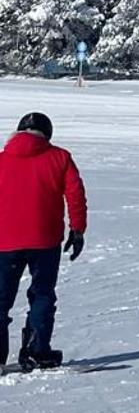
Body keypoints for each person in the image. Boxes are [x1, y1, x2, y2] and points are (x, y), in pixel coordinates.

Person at [0, 112, 88, 371]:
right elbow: (75, 194)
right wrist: (78, 229)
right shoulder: (60, 157)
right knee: (42, 295)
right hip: (45, 240)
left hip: (4, 241)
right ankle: (37, 352)